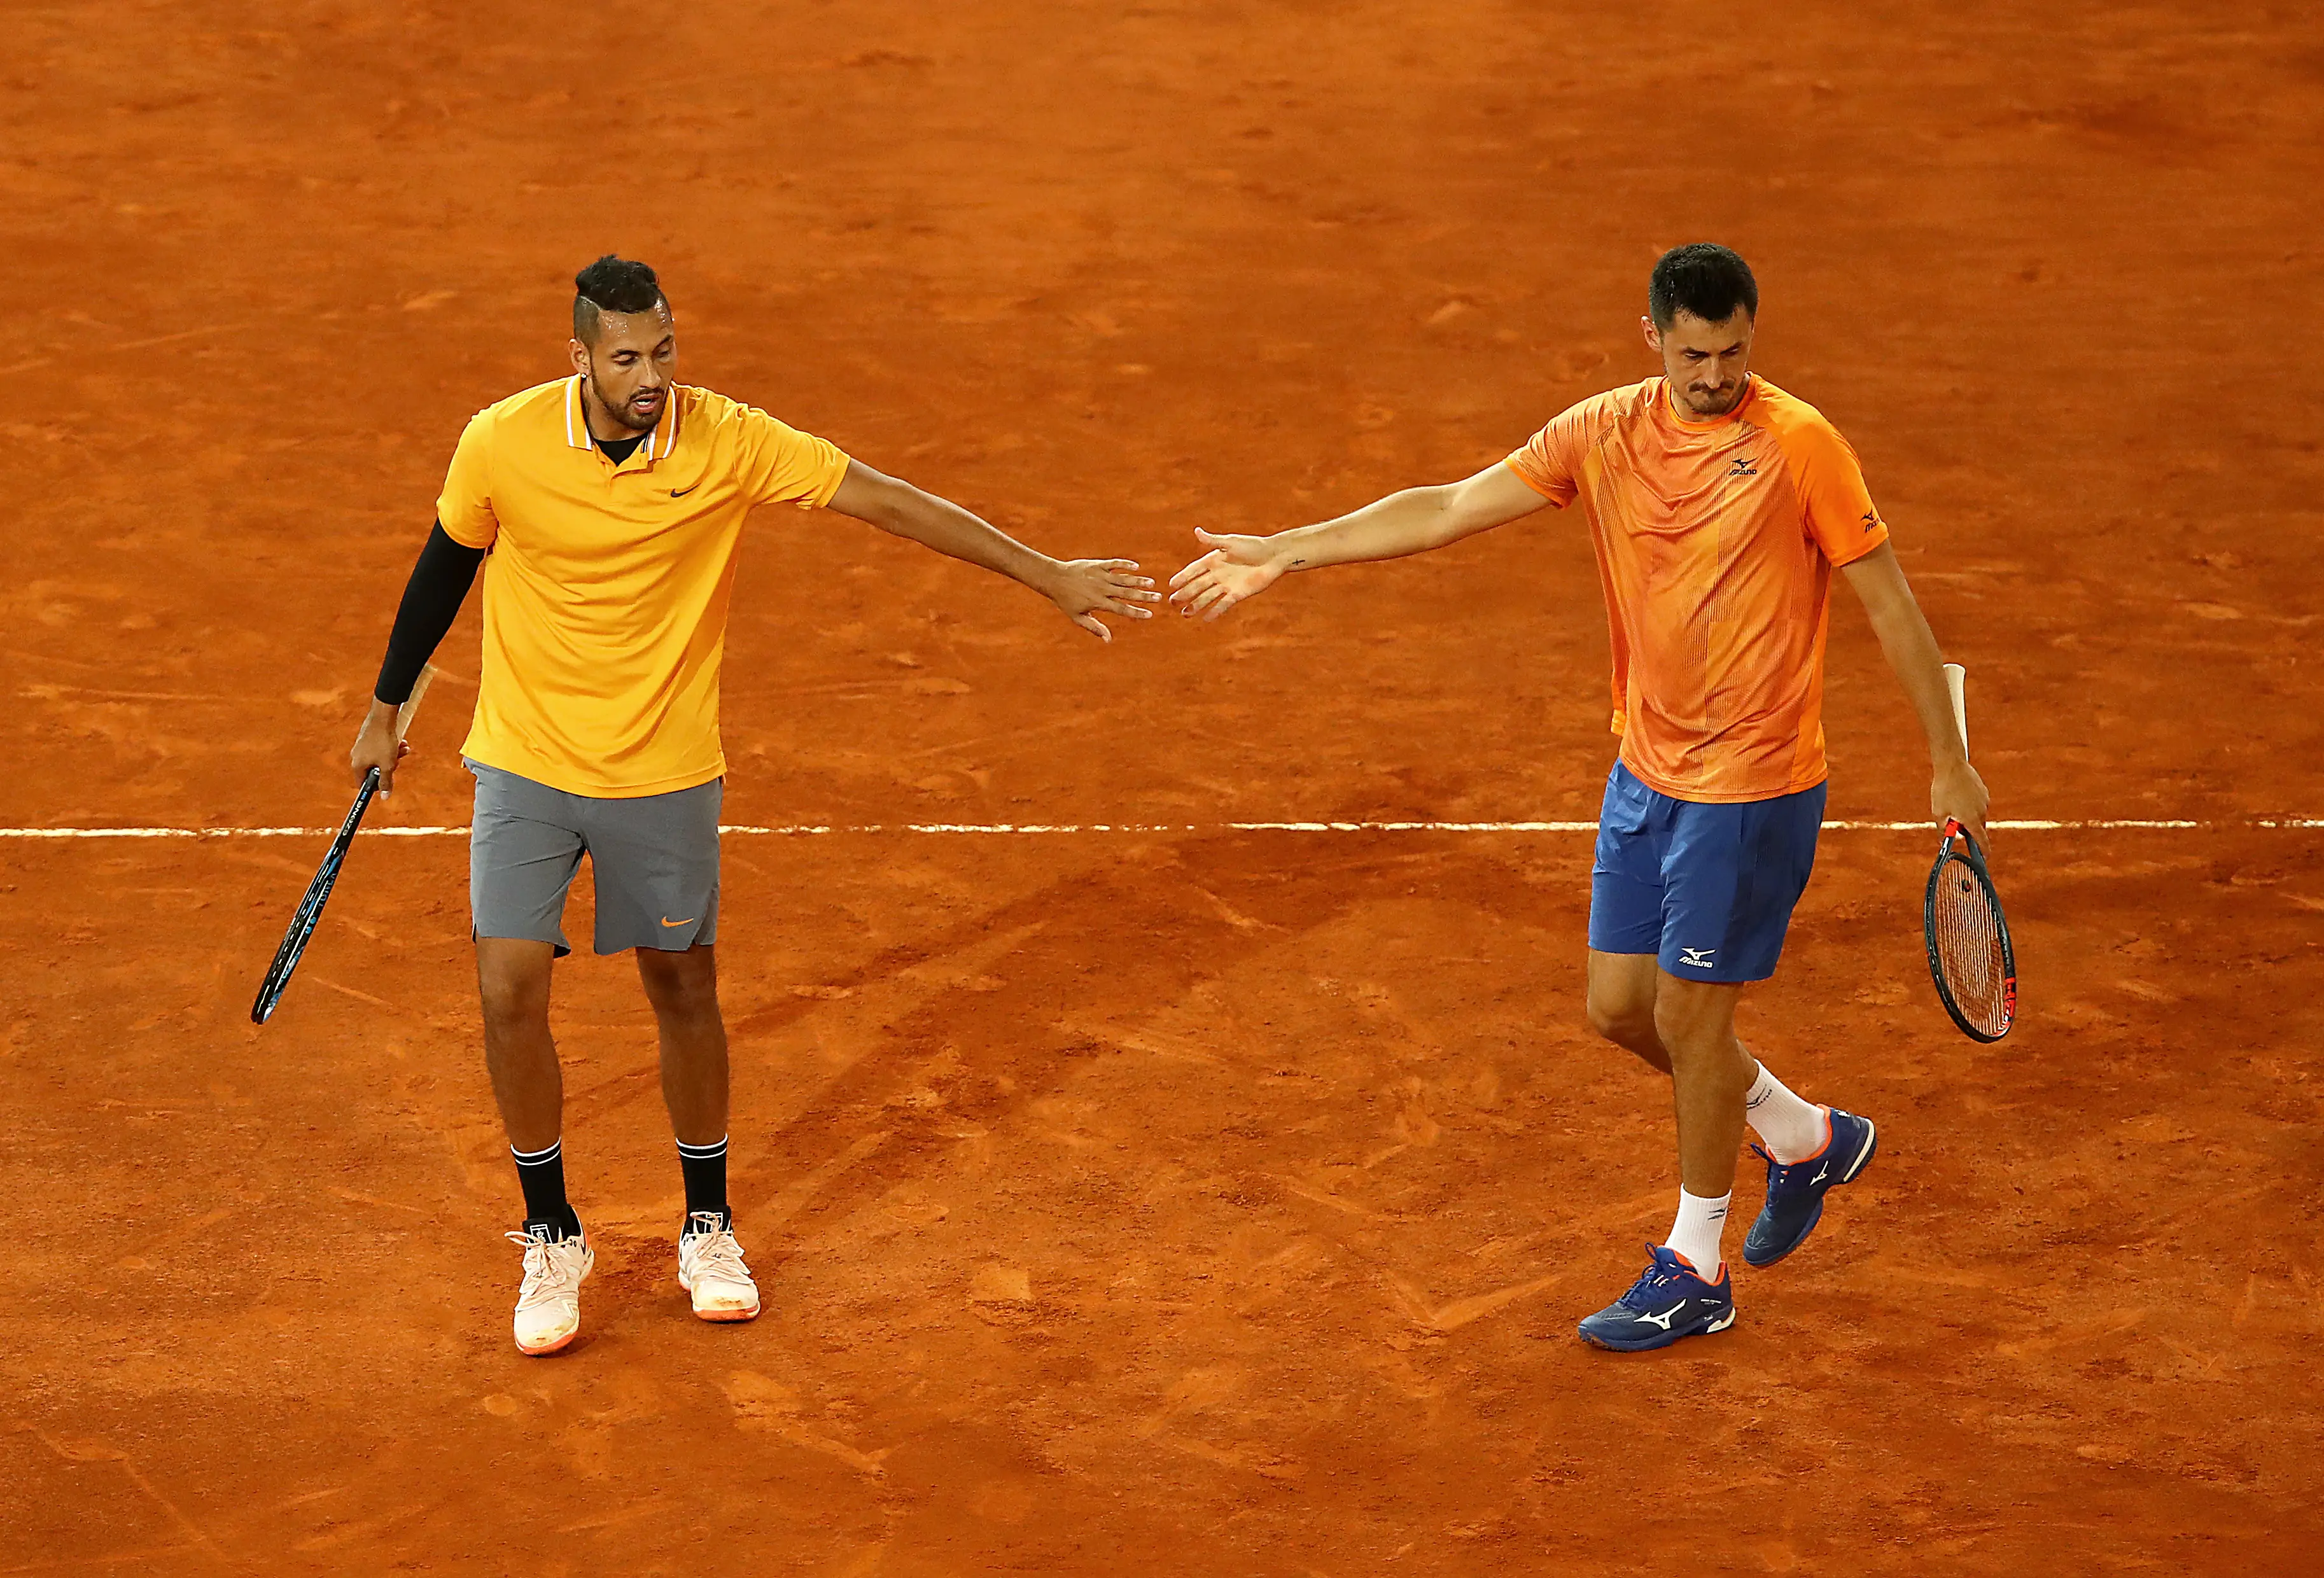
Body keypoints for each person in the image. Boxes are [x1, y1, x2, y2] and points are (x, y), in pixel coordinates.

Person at [1168, 243, 1989, 1351]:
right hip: (1645, 771)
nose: (1716, 376)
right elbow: (1448, 506)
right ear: (1653, 339)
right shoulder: (1600, 432)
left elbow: (1888, 603)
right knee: (1620, 1011)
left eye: (1734, 352)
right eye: (1694, 356)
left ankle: (1697, 1267)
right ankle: (1804, 1137)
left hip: (1753, 787)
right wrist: (1290, 550)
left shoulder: (1800, 445)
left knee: (1693, 1021)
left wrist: (1949, 759)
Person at [353, 255, 1158, 1355]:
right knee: (508, 990)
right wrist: (386, 709)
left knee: (682, 985)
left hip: (664, 769)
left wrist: (1046, 572)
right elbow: (445, 567)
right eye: (626, 358)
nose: (651, 377)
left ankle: (707, 1225)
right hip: (527, 762)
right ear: (580, 357)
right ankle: (551, 1233)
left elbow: (890, 500)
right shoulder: (500, 440)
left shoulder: (730, 440)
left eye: (664, 352)